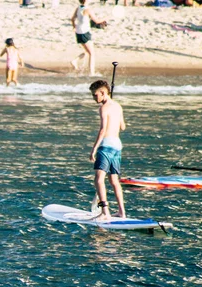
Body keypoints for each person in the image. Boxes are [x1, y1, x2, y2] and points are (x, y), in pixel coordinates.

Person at [89, 80, 126, 220]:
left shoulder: (103, 108)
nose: (94, 98)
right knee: (114, 181)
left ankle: (105, 211)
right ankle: (122, 212)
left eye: (95, 95)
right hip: (117, 145)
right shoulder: (118, 106)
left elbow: (103, 129)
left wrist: (94, 149)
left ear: (103, 93)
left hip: (106, 146)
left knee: (98, 179)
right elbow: (123, 127)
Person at [70, 0, 106, 76]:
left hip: (79, 32)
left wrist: (74, 27)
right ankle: (91, 73)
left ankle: (75, 61)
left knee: (88, 51)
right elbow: (97, 21)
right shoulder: (88, 9)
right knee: (92, 53)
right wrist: (106, 18)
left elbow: (72, 19)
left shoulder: (78, 8)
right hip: (85, 33)